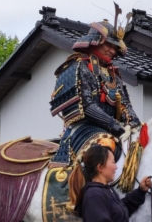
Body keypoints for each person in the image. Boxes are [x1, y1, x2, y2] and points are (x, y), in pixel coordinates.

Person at [50, 17, 141, 166]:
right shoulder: (77, 67)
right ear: (96, 40)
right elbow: (86, 106)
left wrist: (135, 126)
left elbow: (125, 105)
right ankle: (89, 188)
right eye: (109, 45)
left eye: (115, 48)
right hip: (82, 130)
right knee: (104, 147)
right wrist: (115, 126)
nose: (112, 51)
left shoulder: (114, 76)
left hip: (113, 130)